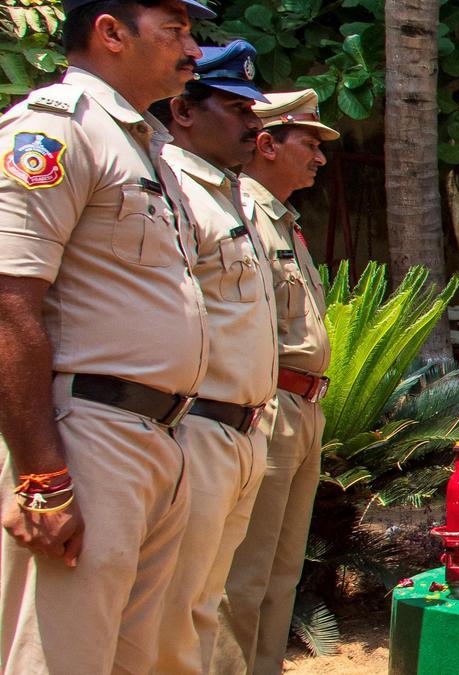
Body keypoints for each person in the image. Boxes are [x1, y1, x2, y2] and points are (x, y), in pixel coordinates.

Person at [0, 0, 214, 669]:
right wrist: (42, 475)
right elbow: (10, 300)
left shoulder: (147, 147)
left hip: (158, 440)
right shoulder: (56, 129)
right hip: (88, 437)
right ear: (111, 32)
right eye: (175, 29)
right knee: (60, 657)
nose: (193, 48)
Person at [149, 39, 278, 674]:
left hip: (243, 430)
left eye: (255, 109)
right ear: (184, 109)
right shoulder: (171, 188)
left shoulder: (232, 196)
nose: (254, 123)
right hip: (194, 427)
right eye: (236, 107)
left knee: (203, 602)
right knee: (173, 608)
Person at [213, 88, 338, 675]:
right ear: (266, 144)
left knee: (282, 572)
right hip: (267, 407)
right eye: (308, 143)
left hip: (301, 407)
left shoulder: (285, 221)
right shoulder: (241, 215)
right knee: (244, 574)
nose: (318, 157)